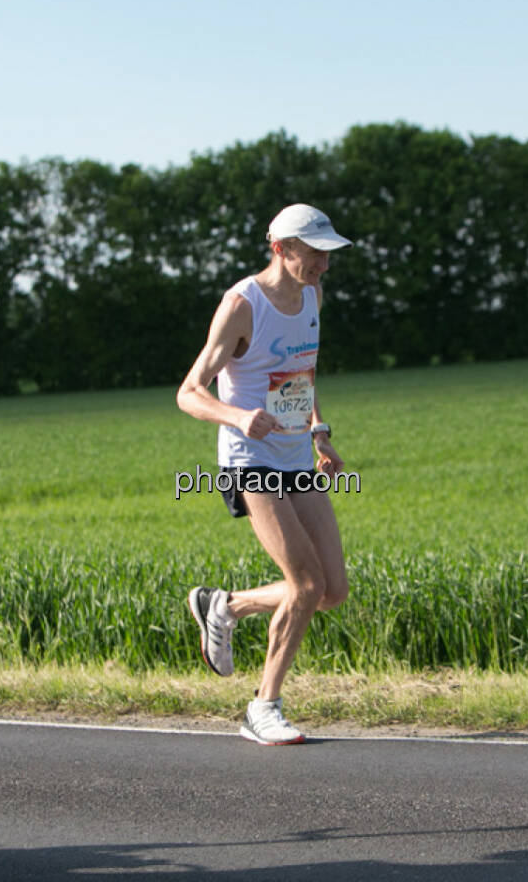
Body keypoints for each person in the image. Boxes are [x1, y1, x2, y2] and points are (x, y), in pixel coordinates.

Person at [176, 202, 352, 745]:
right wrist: (237, 416)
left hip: (297, 455)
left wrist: (319, 430)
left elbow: (303, 372)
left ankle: (225, 605)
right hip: (249, 461)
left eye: (328, 255)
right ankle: (263, 706)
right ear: (282, 248)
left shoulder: (311, 296)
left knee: (331, 591)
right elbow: (188, 392)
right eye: (315, 254)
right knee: (304, 583)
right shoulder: (241, 305)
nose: (324, 265)